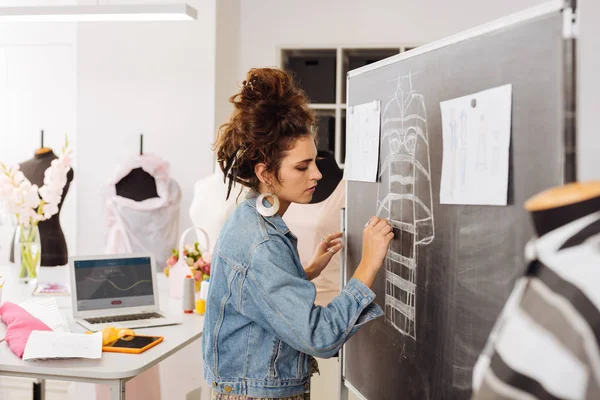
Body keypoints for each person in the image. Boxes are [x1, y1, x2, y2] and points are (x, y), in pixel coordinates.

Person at [202, 67, 393, 400]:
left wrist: (305, 273)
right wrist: (368, 265)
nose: (317, 174)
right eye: (302, 167)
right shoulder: (260, 242)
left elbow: (256, 295)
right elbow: (318, 336)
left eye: (314, 161)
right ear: (265, 172)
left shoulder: (253, 219)